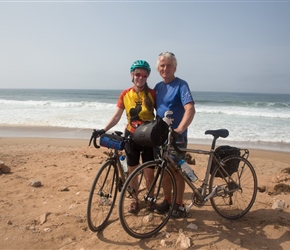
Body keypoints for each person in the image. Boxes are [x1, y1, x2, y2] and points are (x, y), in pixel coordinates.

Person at [95, 60, 156, 213]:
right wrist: (103, 129)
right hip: (131, 136)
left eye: (144, 75)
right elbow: (116, 117)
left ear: (147, 76)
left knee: (149, 171)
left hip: (148, 138)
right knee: (132, 169)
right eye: (137, 74)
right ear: (132, 75)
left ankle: (150, 198)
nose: (140, 77)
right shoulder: (125, 94)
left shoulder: (153, 94)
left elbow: (160, 115)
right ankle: (135, 200)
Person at [154, 51, 196, 218]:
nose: (165, 68)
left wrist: (180, 129)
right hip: (161, 136)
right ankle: (167, 200)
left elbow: (190, 109)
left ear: (175, 67)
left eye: (169, 65)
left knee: (177, 170)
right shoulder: (158, 87)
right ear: (158, 69)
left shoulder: (181, 85)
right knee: (163, 169)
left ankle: (178, 204)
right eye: (162, 65)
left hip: (177, 136)